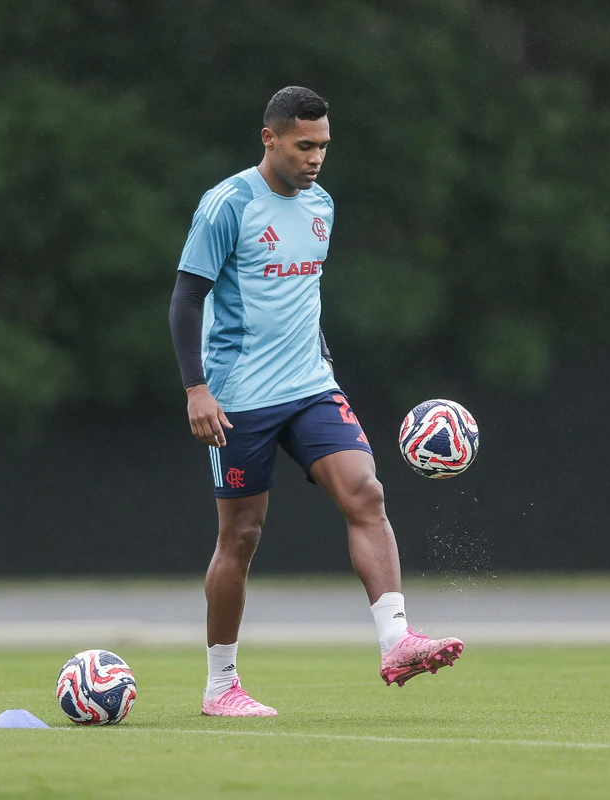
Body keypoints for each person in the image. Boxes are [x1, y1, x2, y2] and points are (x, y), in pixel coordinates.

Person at [168, 86, 463, 718]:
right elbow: (186, 298)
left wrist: (319, 356)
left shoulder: (323, 204)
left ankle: (396, 641)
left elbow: (302, 297)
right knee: (240, 536)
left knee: (367, 493)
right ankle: (221, 686)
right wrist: (197, 387)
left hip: (309, 385)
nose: (316, 158)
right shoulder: (228, 205)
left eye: (324, 146)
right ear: (270, 139)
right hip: (238, 396)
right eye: (305, 145)